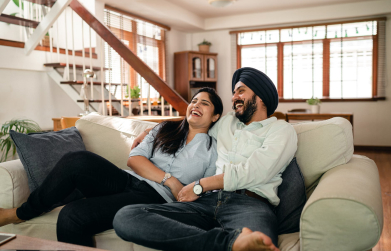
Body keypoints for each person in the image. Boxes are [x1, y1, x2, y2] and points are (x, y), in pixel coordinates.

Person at [0, 87, 223, 247]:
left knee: (72, 216)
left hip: (154, 198)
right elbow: (134, 159)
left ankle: (47, 206)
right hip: (128, 179)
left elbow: (208, 190)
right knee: (77, 159)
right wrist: (171, 180)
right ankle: (22, 213)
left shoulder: (214, 150)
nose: (196, 105)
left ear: (215, 116)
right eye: (194, 100)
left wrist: (187, 191)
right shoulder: (164, 129)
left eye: (205, 103)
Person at [113, 67, 298, 251]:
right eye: (233, 93)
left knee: (260, 245)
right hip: (205, 203)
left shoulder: (281, 130)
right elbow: (193, 122)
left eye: (241, 91)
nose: (234, 98)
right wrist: (151, 130)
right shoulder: (226, 122)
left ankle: (229, 242)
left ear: (262, 97)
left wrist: (200, 185)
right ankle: (226, 243)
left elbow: (256, 171)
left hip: (249, 204)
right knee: (127, 216)